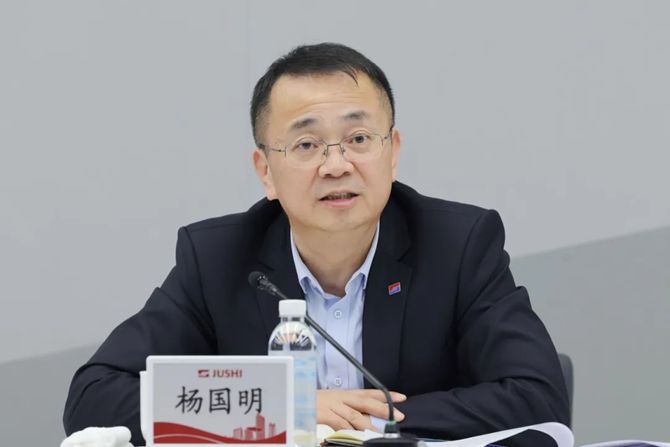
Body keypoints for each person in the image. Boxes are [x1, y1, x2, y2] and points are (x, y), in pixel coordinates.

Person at [63, 43, 569, 446]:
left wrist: (361, 424)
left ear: (392, 152)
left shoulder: (457, 245)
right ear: (266, 171)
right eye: (306, 145)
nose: (336, 165)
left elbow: (537, 394)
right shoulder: (217, 259)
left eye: (358, 139)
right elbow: (94, 397)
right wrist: (288, 409)